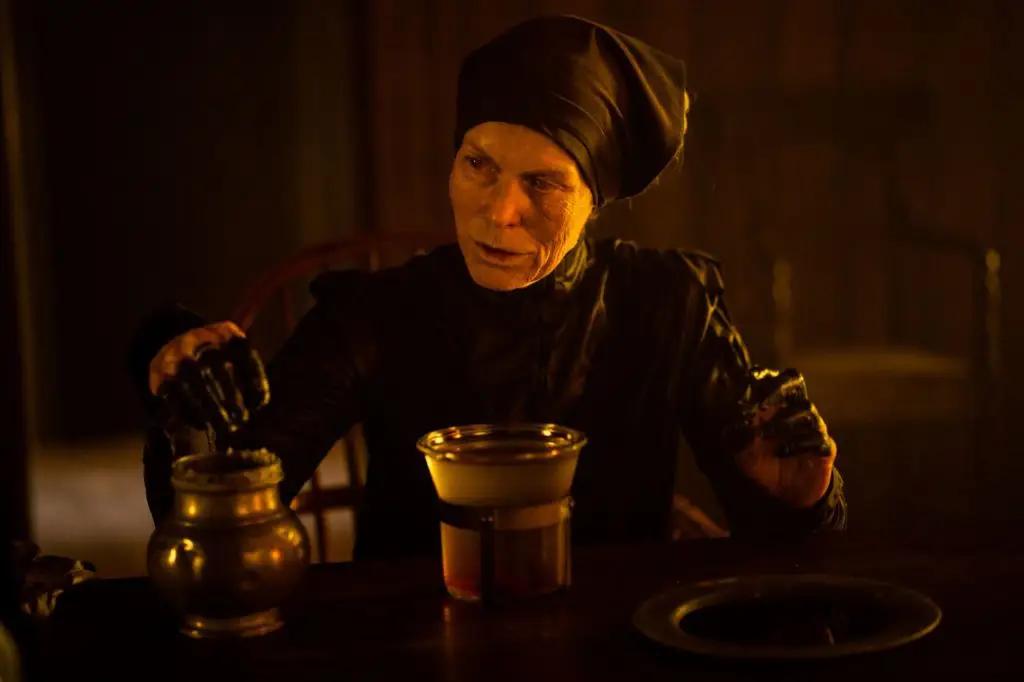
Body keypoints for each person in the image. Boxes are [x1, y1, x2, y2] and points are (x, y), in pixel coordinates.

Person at [128, 14, 846, 561]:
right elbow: (221, 515)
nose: (500, 212)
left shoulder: (667, 304)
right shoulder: (378, 314)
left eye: (543, 183)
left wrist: (798, 502)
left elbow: (780, 564)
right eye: (479, 165)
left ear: (593, 202)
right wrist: (183, 397)